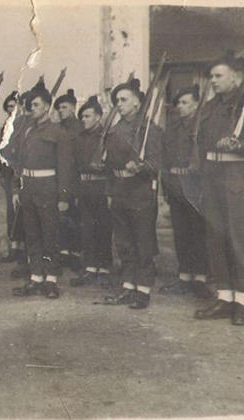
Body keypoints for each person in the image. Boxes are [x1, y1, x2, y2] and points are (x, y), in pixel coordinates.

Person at [194, 50, 244, 325]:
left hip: (237, 179)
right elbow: (201, 143)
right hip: (212, 177)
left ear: (235, 77)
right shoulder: (211, 107)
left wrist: (239, 145)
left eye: (218, 75)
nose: (212, 80)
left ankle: (242, 302)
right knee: (216, 240)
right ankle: (224, 297)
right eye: (211, 76)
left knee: (238, 241)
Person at [102, 78, 162, 309]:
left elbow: (157, 163)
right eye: (117, 100)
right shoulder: (114, 130)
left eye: (124, 99)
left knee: (142, 242)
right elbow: (109, 166)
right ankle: (127, 286)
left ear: (138, 103)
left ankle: (143, 289)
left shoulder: (150, 130)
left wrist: (141, 167)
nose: (119, 104)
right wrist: (109, 191)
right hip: (119, 190)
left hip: (139, 191)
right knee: (124, 242)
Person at [12, 80, 74, 299]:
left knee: (50, 236)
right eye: (30, 105)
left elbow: (65, 166)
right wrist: (18, 190)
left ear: (47, 106)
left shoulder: (58, 133)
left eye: (36, 105)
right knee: (32, 235)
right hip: (28, 189)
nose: (32, 109)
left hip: (48, 189)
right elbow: (19, 162)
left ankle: (51, 280)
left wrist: (63, 196)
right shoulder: (27, 131)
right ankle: (36, 277)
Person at [158, 85, 212, 299]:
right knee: (180, 234)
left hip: (196, 185)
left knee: (198, 233)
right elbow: (163, 158)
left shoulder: (203, 125)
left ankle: (200, 279)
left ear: (196, 104)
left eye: (185, 103)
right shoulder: (171, 127)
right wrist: (166, 187)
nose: (180, 107)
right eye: (178, 103)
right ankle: (184, 277)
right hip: (175, 184)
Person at [68, 96, 114, 289]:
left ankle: (104, 270)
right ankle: (89, 268)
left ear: (98, 117)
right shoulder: (79, 138)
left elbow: (112, 168)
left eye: (88, 116)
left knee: (103, 229)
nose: (84, 120)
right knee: (86, 230)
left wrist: (111, 192)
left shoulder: (108, 137)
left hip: (102, 187)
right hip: (84, 188)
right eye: (82, 117)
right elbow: (74, 168)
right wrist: (76, 192)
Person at [54, 88, 83, 272]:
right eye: (59, 108)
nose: (61, 111)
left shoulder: (79, 128)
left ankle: (76, 255)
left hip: (76, 180)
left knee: (75, 219)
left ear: (73, 108)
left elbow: (79, 159)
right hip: (60, 179)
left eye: (64, 107)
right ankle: (64, 253)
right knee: (62, 219)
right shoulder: (58, 129)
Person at [0, 90, 26, 264]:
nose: (11, 109)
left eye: (14, 106)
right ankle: (15, 246)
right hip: (10, 173)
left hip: (24, 172)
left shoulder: (24, 124)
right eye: (9, 107)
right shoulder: (7, 125)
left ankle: (25, 249)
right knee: (12, 210)